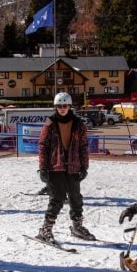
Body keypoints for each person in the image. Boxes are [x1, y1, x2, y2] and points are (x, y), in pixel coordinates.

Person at [36, 92, 95, 243]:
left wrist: (84, 166)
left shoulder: (78, 124)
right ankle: (46, 229)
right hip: (55, 166)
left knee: (76, 198)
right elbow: (43, 146)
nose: (62, 108)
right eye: (59, 106)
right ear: (55, 107)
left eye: (65, 106)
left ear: (70, 106)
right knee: (57, 198)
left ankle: (77, 226)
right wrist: (43, 167)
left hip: (73, 166)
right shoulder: (50, 124)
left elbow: (83, 146)